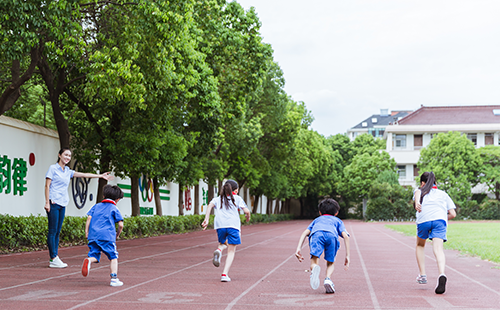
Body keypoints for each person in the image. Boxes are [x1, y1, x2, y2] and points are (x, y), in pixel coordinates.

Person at [44, 148, 113, 268]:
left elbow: (84, 174)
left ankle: (54, 258)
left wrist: (100, 176)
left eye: (69, 156)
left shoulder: (68, 171)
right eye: (65, 155)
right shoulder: (53, 168)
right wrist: (47, 202)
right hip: (53, 202)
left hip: (63, 203)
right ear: (59, 155)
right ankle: (53, 257)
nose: (67, 157)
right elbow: (47, 185)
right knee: (52, 231)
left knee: (58, 231)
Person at [413, 172, 456, 294]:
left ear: (422, 183)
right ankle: (442, 273)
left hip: (424, 220)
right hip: (440, 221)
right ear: (435, 183)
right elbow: (453, 214)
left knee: (420, 245)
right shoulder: (443, 194)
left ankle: (422, 275)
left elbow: (417, 193)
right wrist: (441, 216)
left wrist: (417, 203)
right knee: (438, 250)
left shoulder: (420, 191)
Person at [295, 198, 350, 294]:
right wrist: (347, 256)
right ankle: (328, 279)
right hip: (331, 236)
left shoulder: (317, 220)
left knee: (314, 259)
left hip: (317, 234)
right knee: (330, 262)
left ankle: (314, 268)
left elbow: (305, 233)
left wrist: (298, 248)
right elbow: (346, 236)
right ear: (336, 212)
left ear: (320, 212)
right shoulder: (337, 221)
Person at [201, 180, 251, 282]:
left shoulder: (218, 199)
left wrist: (206, 219)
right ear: (235, 190)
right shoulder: (237, 198)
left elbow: (210, 205)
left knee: (223, 243)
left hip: (220, 226)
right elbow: (246, 210)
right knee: (231, 251)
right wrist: (247, 217)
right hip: (233, 226)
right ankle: (224, 274)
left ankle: (219, 250)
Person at [81, 184, 124, 287]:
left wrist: (87, 232)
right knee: (113, 257)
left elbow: (89, 218)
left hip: (93, 235)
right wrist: (117, 235)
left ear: (104, 196)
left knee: (94, 255)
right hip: (107, 236)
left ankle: (89, 260)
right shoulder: (114, 208)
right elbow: (121, 225)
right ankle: (114, 279)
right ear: (117, 199)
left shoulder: (96, 206)